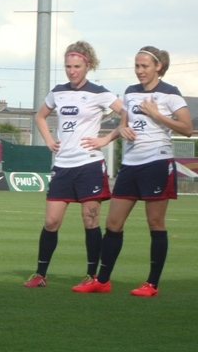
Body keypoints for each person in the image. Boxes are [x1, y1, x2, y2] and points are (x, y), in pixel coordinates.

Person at [73, 46, 192, 296]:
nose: (139, 71)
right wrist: (121, 131)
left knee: (155, 223)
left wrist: (157, 114)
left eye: (144, 66)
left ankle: (152, 284)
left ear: (158, 67)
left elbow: (187, 129)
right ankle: (102, 280)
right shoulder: (130, 92)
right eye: (137, 66)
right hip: (130, 165)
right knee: (113, 223)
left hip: (156, 163)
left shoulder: (171, 94)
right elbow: (124, 124)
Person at [24, 41, 123, 289]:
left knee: (90, 221)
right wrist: (48, 140)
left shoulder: (99, 92)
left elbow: (127, 113)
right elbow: (39, 115)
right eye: (68, 66)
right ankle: (40, 274)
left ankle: (92, 276)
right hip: (63, 166)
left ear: (87, 65)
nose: (71, 71)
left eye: (76, 66)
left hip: (89, 165)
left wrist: (106, 139)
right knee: (51, 222)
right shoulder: (58, 91)